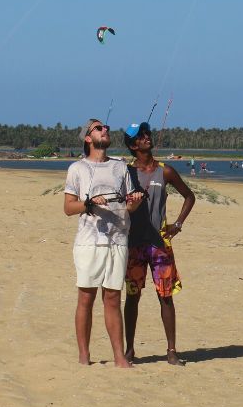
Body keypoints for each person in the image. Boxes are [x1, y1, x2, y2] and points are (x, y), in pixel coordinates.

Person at [63, 118, 143, 367]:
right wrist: (89, 203)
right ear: (88, 138)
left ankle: (119, 357)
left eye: (105, 128)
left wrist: (136, 202)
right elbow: (68, 207)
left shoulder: (120, 167)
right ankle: (84, 355)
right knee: (86, 298)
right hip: (89, 242)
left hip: (118, 240)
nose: (105, 130)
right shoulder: (77, 168)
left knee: (112, 298)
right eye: (99, 128)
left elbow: (128, 206)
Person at [121, 121, 195, 366]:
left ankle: (172, 351)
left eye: (147, 134)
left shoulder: (165, 171)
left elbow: (189, 196)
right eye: (140, 136)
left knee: (166, 296)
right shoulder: (126, 173)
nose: (146, 138)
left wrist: (178, 224)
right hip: (134, 243)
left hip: (160, 244)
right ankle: (129, 350)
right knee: (132, 296)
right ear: (133, 145)